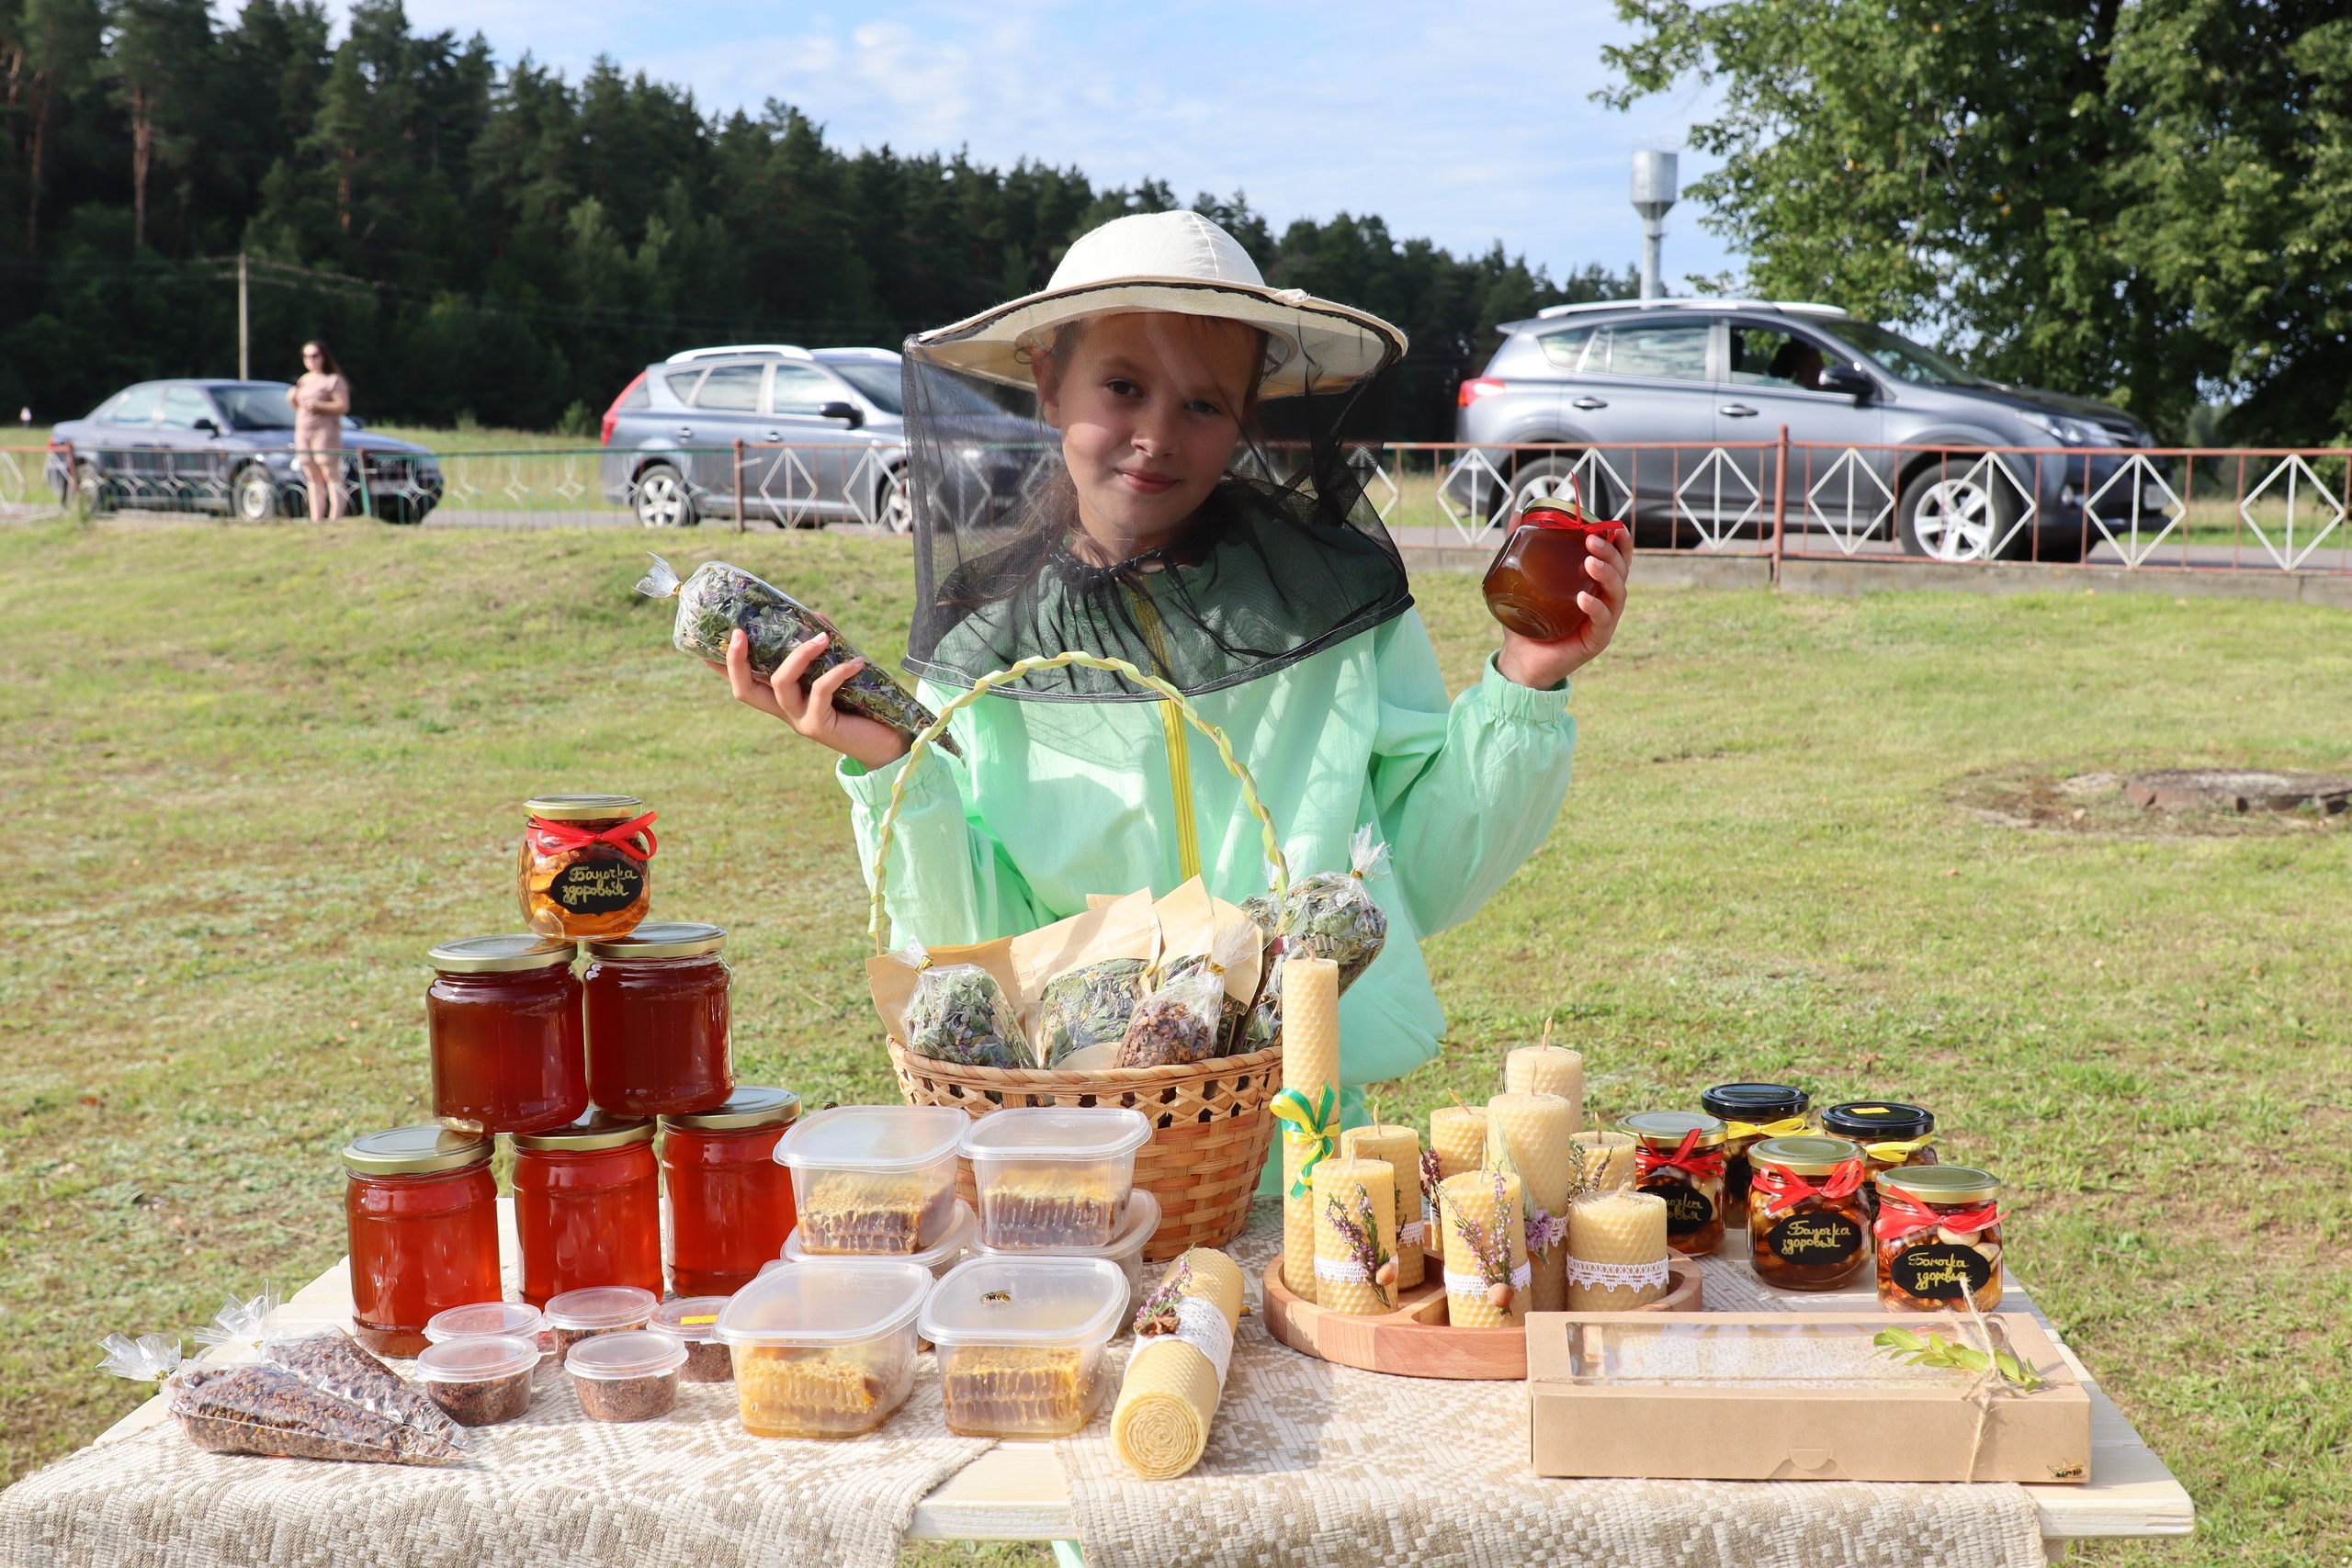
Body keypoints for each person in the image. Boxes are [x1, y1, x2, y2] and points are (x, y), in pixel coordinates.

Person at [713, 210, 1629, 1134]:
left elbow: (1422, 873)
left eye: (1202, 404)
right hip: (1074, 1136)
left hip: (1300, 1136)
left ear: (1245, 415)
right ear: (1045, 379)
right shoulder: (983, 640)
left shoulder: (1330, 612)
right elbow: (972, 932)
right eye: (1121, 386)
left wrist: (1525, 681)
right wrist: (890, 768)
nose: (1157, 434)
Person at [287, 341, 351, 521]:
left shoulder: (333, 380)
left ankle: (335, 517)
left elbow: (343, 406)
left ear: (323, 357)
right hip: (303, 431)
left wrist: (319, 405)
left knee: (330, 473)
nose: (310, 360)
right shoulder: (303, 380)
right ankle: (316, 518)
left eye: (314, 355)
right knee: (311, 475)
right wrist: (292, 398)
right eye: (306, 356)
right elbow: (298, 407)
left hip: (325, 431)